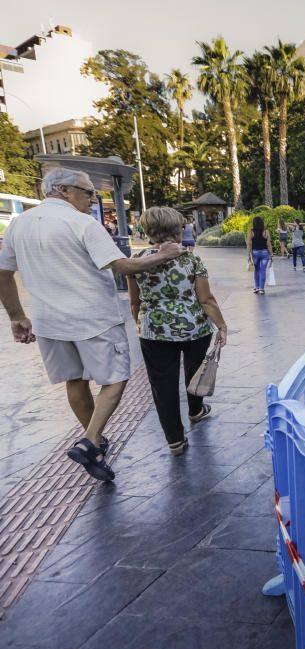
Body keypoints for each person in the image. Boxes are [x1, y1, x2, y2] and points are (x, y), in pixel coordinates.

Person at [0, 168, 185, 481]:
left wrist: (16, 315)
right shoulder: (82, 223)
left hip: (49, 321)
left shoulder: (19, 225)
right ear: (63, 190)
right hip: (93, 318)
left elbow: (3, 274)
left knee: (74, 380)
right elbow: (124, 265)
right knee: (116, 378)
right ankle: (89, 440)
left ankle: (95, 445)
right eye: (87, 192)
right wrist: (163, 255)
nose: (92, 198)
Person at [128, 207, 228, 456]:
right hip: (194, 327)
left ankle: (175, 440)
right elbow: (206, 299)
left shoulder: (137, 260)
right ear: (177, 230)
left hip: (155, 331)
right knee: (195, 372)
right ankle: (195, 410)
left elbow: (134, 302)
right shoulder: (191, 260)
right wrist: (222, 325)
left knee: (162, 385)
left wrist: (141, 323)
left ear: (148, 231)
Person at [245, 216, 273, 294]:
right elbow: (269, 244)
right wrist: (271, 254)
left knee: (256, 270)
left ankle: (257, 287)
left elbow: (249, 244)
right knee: (263, 271)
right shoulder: (266, 231)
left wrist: (248, 255)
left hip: (255, 253)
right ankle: (261, 289)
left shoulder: (251, 231)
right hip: (264, 253)